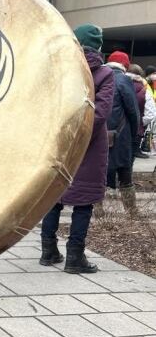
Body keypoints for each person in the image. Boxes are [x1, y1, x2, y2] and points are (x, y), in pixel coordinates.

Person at [39, 24, 114, 273]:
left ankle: (48, 251)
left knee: (54, 198)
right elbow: (100, 113)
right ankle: (74, 257)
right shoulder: (104, 74)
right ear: (99, 46)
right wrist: (80, 133)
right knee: (84, 203)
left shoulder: (62, 70)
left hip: (61, 143)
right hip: (90, 147)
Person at [105, 50, 140, 216]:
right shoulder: (124, 80)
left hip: (99, 133)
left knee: (100, 171)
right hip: (121, 134)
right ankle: (131, 211)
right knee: (125, 172)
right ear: (125, 65)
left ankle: (97, 210)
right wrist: (134, 135)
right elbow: (132, 111)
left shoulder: (98, 77)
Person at [127, 63, 156, 156]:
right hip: (138, 124)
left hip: (120, 126)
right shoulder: (144, 88)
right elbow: (150, 113)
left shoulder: (119, 84)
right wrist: (141, 123)